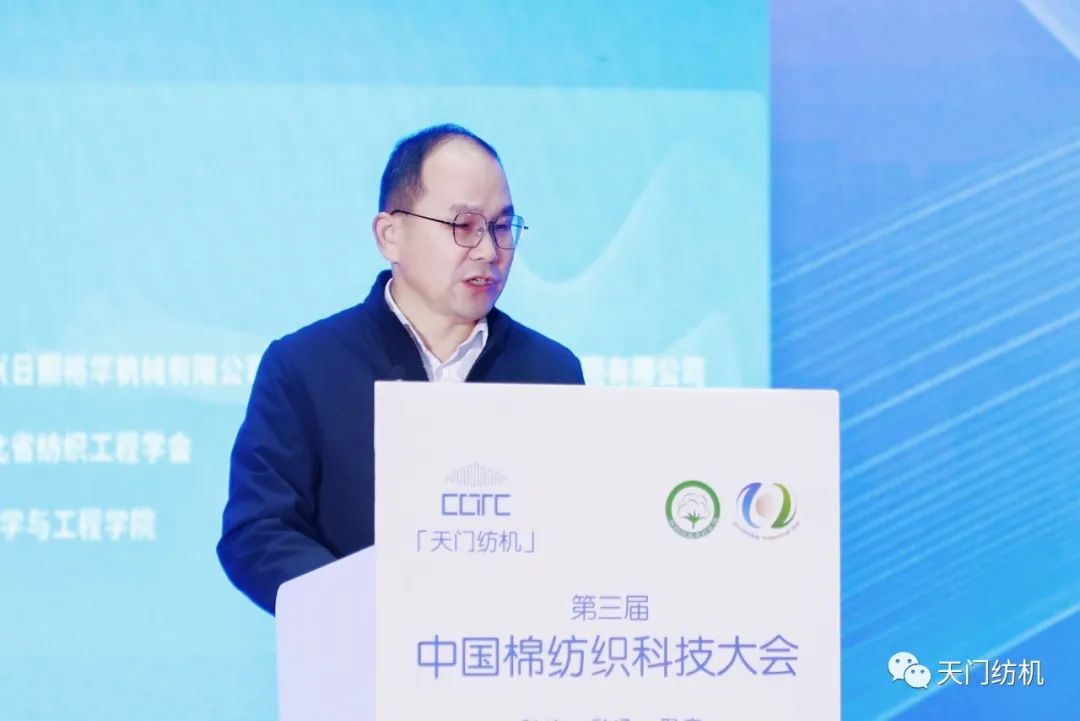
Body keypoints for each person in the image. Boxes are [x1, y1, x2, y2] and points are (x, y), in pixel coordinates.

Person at [217, 124, 584, 613]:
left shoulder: (551, 372)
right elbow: (258, 532)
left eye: (502, 226)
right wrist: (369, 608)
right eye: (463, 226)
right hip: (357, 650)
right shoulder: (305, 366)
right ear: (390, 236)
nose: (489, 251)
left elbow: (578, 532)